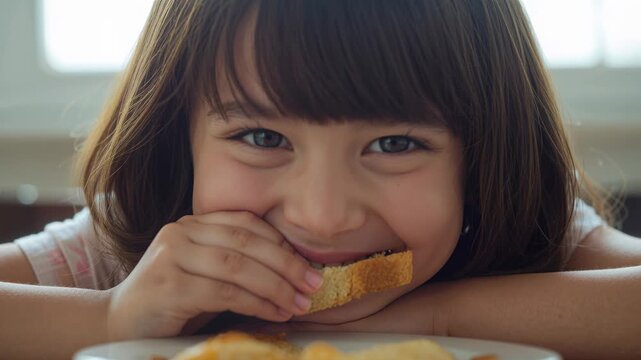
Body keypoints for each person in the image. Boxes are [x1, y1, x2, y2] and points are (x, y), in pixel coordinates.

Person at [1, 1, 640, 359]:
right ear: (178, 141)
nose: (322, 215)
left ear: (482, 160)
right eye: (262, 138)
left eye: (395, 144)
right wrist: (111, 317)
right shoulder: (129, 253)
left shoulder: (525, 234)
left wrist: (438, 318)